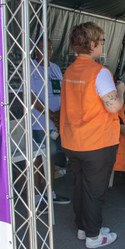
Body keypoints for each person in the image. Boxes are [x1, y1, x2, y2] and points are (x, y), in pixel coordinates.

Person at [60, 22, 124, 249]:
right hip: (97, 142)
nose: (103, 45)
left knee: (80, 186)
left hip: (72, 140)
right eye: (102, 41)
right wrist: (121, 90)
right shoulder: (100, 72)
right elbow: (114, 106)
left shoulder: (70, 70)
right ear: (92, 43)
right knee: (95, 190)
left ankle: (83, 227)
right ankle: (94, 235)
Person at [31, 38, 70, 205]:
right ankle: (38, 197)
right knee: (39, 160)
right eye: (42, 47)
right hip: (39, 123)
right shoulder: (30, 68)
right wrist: (51, 114)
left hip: (56, 123)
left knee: (52, 158)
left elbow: (62, 93)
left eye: (50, 47)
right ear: (35, 49)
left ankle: (51, 194)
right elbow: (31, 97)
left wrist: (60, 114)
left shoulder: (54, 68)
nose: (47, 50)